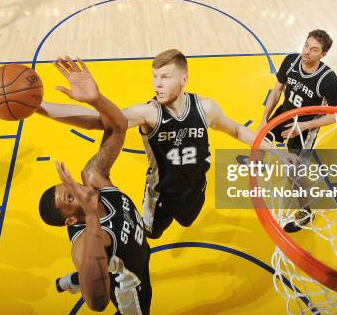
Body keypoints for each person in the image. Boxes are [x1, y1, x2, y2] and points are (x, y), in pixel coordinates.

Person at [37, 49, 260, 239]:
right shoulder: (149, 114)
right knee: (152, 233)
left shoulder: (206, 108)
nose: (157, 85)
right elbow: (99, 121)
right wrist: (39, 106)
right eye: (155, 77)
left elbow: (237, 130)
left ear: (184, 80)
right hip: (161, 194)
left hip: (195, 187)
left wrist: (263, 144)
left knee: (187, 221)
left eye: (165, 77)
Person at [39, 57, 151, 314]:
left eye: (70, 185)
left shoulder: (95, 177)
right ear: (70, 221)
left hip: (135, 253)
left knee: (106, 265)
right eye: (70, 198)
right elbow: (97, 303)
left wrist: (94, 99)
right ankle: (84, 276)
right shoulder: (86, 242)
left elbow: (119, 127)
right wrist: (91, 214)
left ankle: (75, 279)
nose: (78, 188)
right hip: (130, 290)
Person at [258, 29, 337, 232]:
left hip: (305, 128)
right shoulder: (291, 61)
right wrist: (264, 119)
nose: (306, 52)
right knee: (261, 136)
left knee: (294, 173)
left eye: (314, 49)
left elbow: (336, 114)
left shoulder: (329, 80)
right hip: (285, 113)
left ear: (323, 54)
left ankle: (306, 210)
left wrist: (304, 126)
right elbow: (277, 90)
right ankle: (257, 164)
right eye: (306, 45)